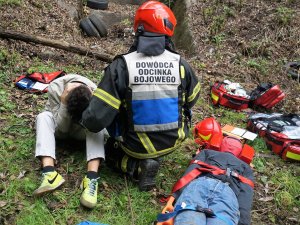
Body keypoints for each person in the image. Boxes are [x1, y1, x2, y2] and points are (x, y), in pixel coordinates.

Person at [81, 1, 200, 191]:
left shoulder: (122, 66)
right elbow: (193, 98)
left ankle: (134, 167)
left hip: (134, 144)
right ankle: (152, 157)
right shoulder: (181, 64)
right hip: (174, 140)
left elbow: (96, 118)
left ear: (139, 28)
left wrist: (84, 120)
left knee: (110, 150)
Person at [33, 74, 105, 209]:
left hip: (82, 130)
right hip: (60, 126)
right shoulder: (55, 88)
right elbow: (62, 129)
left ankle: (91, 178)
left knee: (98, 126)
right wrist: (64, 104)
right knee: (43, 117)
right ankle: (49, 173)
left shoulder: (96, 94)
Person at [157, 140, 255, 225]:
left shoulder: (207, 152)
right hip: (228, 193)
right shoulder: (246, 167)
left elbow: (191, 171)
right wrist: (243, 221)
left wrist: (176, 195)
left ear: (221, 146)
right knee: (223, 219)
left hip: (201, 184)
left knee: (189, 216)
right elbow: (245, 195)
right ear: (239, 152)